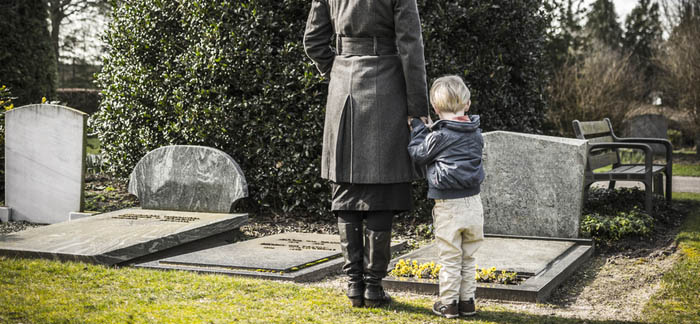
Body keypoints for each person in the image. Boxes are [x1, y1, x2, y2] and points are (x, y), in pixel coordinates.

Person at [303, 0, 429, 308]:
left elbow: (313, 41)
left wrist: (336, 69)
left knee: (345, 183)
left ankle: (353, 285)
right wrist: (418, 109)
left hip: (343, 83)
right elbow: (411, 48)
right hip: (387, 83)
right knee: (381, 186)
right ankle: (373, 287)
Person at [407, 75, 485, 318]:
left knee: (450, 256)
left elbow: (419, 154)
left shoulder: (439, 136)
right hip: (474, 203)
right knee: (469, 256)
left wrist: (419, 129)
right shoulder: (476, 133)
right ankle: (468, 301)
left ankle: (449, 303)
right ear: (467, 104)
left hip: (448, 205)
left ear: (436, 108)